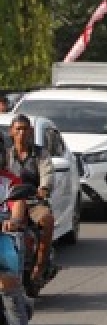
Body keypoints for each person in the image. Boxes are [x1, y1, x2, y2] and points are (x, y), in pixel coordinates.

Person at [6, 115, 56, 285]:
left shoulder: (40, 153)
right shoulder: (6, 155)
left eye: (25, 129)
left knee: (47, 220)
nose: (22, 133)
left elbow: (47, 173)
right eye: (18, 129)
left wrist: (44, 189)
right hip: (10, 202)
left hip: (34, 202)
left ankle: (40, 266)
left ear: (31, 132)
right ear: (11, 132)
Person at [0, 172, 35, 325]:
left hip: (3, 240)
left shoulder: (9, 181)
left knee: (7, 286)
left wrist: (13, 220)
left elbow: (18, 205)